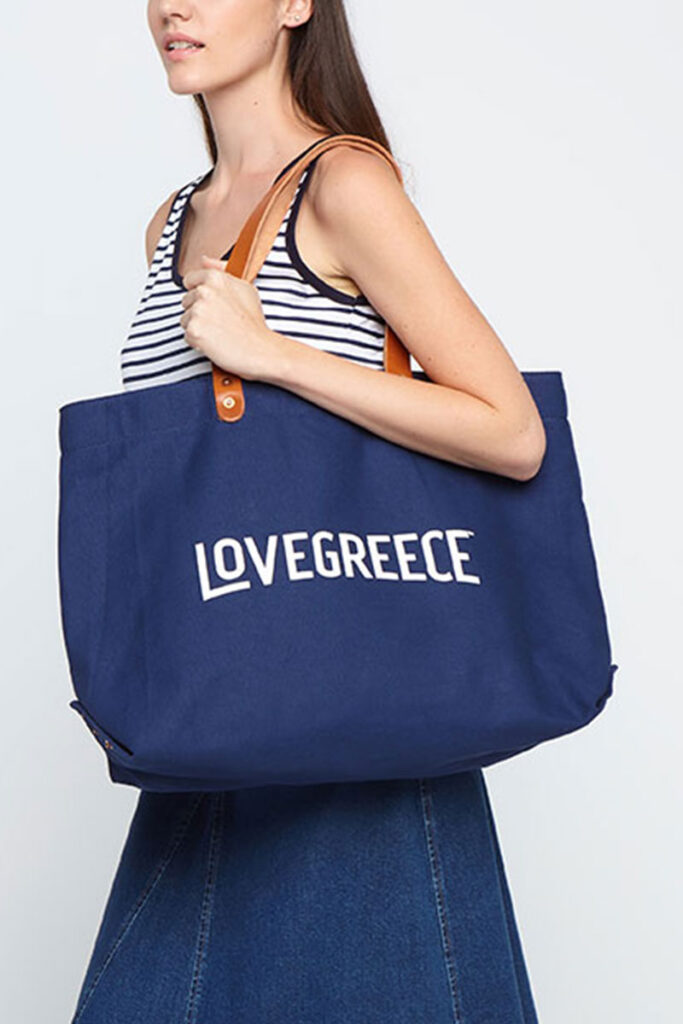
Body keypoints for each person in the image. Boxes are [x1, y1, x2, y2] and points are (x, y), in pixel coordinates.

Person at [70, 2, 545, 1021]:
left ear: (294, 5)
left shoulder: (344, 184)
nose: (171, 7)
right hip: (215, 719)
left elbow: (511, 431)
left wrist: (275, 356)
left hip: (355, 721)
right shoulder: (172, 223)